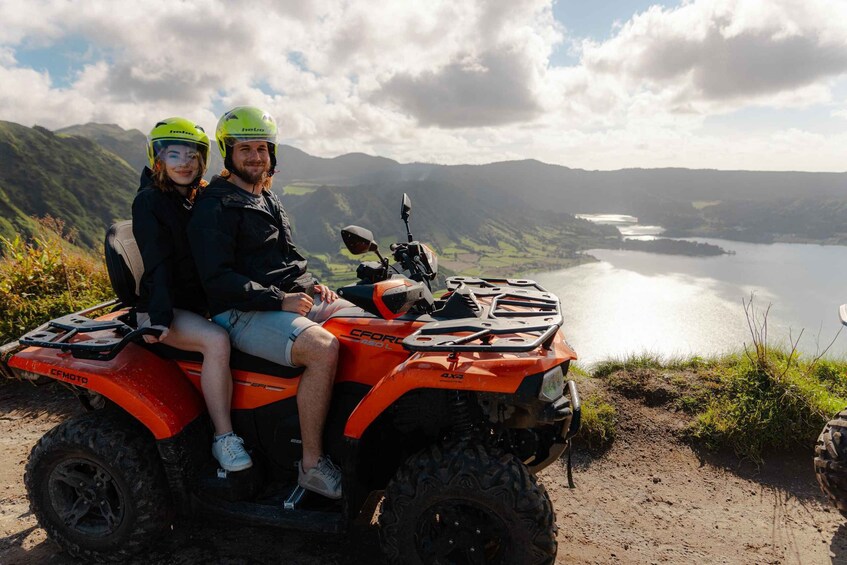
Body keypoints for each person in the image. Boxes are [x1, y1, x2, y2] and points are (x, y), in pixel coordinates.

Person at [187, 106, 351, 500]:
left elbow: (290, 258)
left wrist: (314, 286)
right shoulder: (215, 206)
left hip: (280, 303)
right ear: (228, 152)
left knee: (365, 323)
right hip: (239, 313)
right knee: (323, 348)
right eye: (245, 148)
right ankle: (311, 464)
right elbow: (218, 279)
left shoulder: (268, 197)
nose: (256, 156)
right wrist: (279, 300)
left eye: (262, 148)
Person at [132, 117, 252, 473]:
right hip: (163, 305)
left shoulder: (193, 196)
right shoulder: (150, 202)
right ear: (158, 160)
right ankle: (224, 438)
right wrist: (158, 319)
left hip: (196, 301)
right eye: (173, 154)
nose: (184, 162)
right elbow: (158, 265)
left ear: (202, 160)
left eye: (192, 155)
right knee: (217, 341)